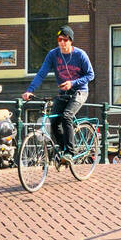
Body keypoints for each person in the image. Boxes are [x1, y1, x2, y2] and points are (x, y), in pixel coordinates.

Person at [23, 25, 95, 158]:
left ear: (71, 41)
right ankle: (63, 150)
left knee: (67, 116)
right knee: (54, 121)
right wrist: (30, 90)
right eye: (60, 39)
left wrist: (72, 83)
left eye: (65, 40)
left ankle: (70, 152)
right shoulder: (53, 54)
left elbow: (91, 75)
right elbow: (41, 74)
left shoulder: (80, 55)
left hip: (80, 91)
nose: (62, 42)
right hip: (64, 93)